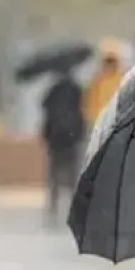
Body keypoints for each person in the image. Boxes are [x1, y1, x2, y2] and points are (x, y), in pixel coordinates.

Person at [39, 67, 86, 218]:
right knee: (72, 171)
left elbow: (44, 109)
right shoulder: (76, 89)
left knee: (54, 171)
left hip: (56, 137)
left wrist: (45, 134)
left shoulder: (52, 91)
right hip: (71, 136)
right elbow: (81, 111)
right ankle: (74, 203)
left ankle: (54, 204)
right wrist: (80, 133)